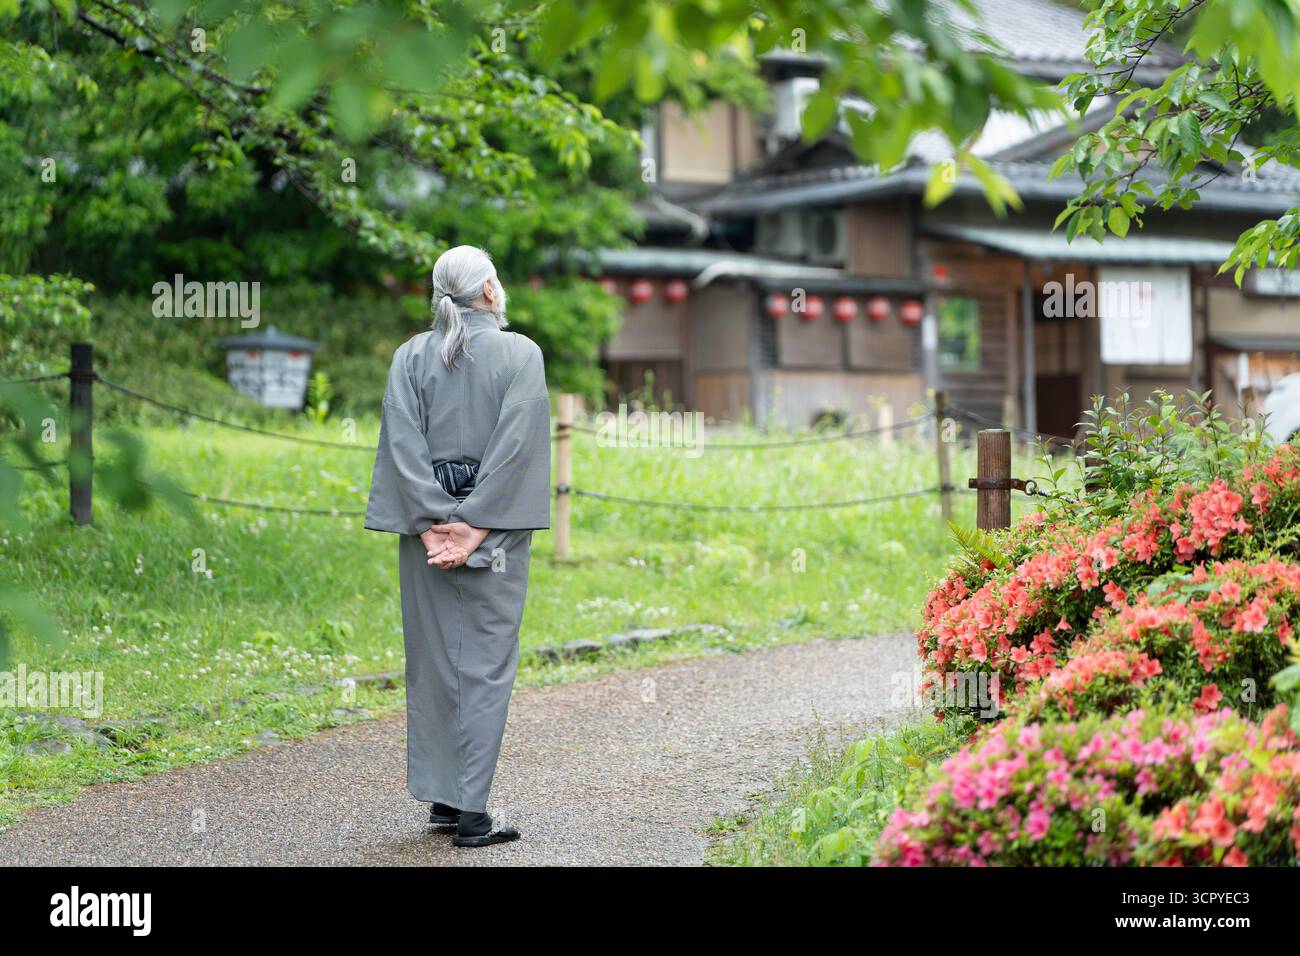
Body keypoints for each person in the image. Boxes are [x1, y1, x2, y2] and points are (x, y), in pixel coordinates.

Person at [365, 245, 551, 847]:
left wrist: (430, 523)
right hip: (490, 530)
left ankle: (448, 798)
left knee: (436, 661)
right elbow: (516, 444)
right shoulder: (520, 354)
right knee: (486, 665)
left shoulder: (410, 356)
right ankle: (472, 817)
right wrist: (474, 525)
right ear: (490, 292)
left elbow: (401, 441)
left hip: (429, 534)